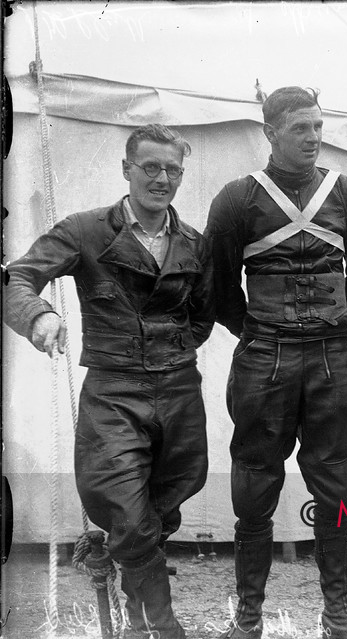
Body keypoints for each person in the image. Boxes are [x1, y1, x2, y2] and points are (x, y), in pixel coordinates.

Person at [4, 123, 213, 639]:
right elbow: (17, 277)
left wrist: (170, 353)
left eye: (172, 170)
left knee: (163, 508)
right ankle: (165, 628)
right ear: (126, 170)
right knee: (126, 508)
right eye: (150, 168)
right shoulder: (86, 230)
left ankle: (135, 604)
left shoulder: (194, 242)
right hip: (113, 394)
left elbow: (204, 316)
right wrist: (39, 317)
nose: (161, 179)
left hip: (179, 393)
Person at [204, 87, 347, 639]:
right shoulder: (237, 199)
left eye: (318, 126)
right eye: (300, 128)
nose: (313, 138)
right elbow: (218, 287)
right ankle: (250, 617)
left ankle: (337, 612)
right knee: (254, 486)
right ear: (271, 132)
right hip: (264, 359)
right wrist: (260, 333)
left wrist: (327, 328)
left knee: (336, 483)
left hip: (331, 358)